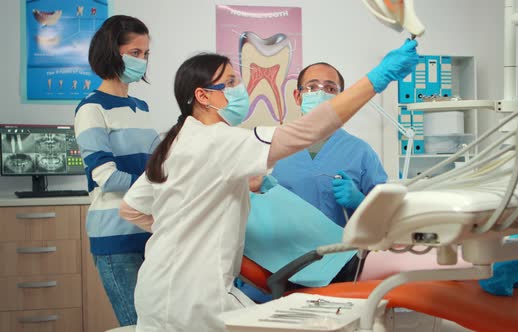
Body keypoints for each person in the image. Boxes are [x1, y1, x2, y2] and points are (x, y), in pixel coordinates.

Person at [120, 39, 419, 331]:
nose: (242, 89)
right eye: (231, 82)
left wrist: (187, 230)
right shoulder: (219, 141)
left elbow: (130, 209)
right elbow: (305, 131)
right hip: (196, 298)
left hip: (155, 288)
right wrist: (376, 80)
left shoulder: (175, 142)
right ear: (203, 96)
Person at [74, 15, 160, 326]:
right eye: (135, 53)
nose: (142, 60)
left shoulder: (141, 108)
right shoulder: (91, 109)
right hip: (114, 236)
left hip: (149, 233)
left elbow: (157, 168)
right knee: (136, 324)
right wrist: (159, 185)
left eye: (146, 54)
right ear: (112, 52)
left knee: (157, 323)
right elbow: (107, 178)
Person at [272, 62, 388, 228]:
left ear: (342, 98)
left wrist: (361, 201)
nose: (321, 93)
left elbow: (386, 215)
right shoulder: (273, 146)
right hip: (282, 250)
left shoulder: (360, 152)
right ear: (298, 96)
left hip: (341, 251)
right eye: (312, 87)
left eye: (330, 89)